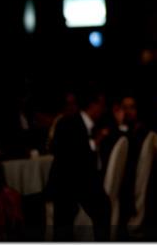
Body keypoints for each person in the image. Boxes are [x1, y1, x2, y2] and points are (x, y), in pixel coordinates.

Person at [46, 84, 111, 241]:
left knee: (103, 204)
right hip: (67, 182)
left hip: (82, 181)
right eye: (102, 104)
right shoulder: (68, 123)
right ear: (94, 105)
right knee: (101, 205)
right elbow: (64, 153)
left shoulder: (91, 126)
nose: (104, 109)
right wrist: (94, 144)